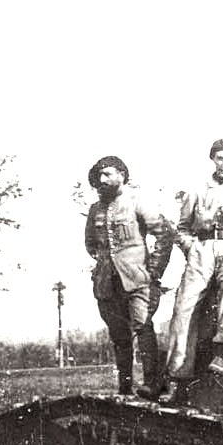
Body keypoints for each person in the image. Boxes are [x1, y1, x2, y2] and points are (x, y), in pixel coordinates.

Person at [141, 138, 223, 401]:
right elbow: (182, 229)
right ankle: (177, 377)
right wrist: (192, 248)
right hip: (203, 248)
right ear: (212, 160)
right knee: (184, 307)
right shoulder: (197, 190)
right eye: (219, 158)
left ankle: (221, 349)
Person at [84, 155, 175, 396]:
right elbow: (91, 244)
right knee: (118, 335)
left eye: (108, 174)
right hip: (107, 283)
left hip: (137, 280)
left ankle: (152, 384)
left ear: (122, 175)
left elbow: (165, 234)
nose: (102, 180)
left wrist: (154, 270)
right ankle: (124, 387)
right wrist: (105, 265)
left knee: (142, 326)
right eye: (99, 175)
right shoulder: (95, 209)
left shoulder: (137, 202)